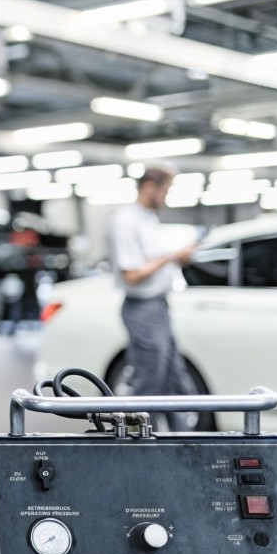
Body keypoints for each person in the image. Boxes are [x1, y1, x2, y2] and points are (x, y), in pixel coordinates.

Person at [109, 161, 198, 430]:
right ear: (150, 187)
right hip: (142, 308)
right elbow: (131, 274)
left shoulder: (148, 219)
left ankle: (183, 445)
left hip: (159, 306)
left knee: (174, 380)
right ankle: (146, 452)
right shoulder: (125, 221)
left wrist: (175, 260)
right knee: (149, 384)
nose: (166, 198)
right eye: (166, 191)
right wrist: (170, 257)